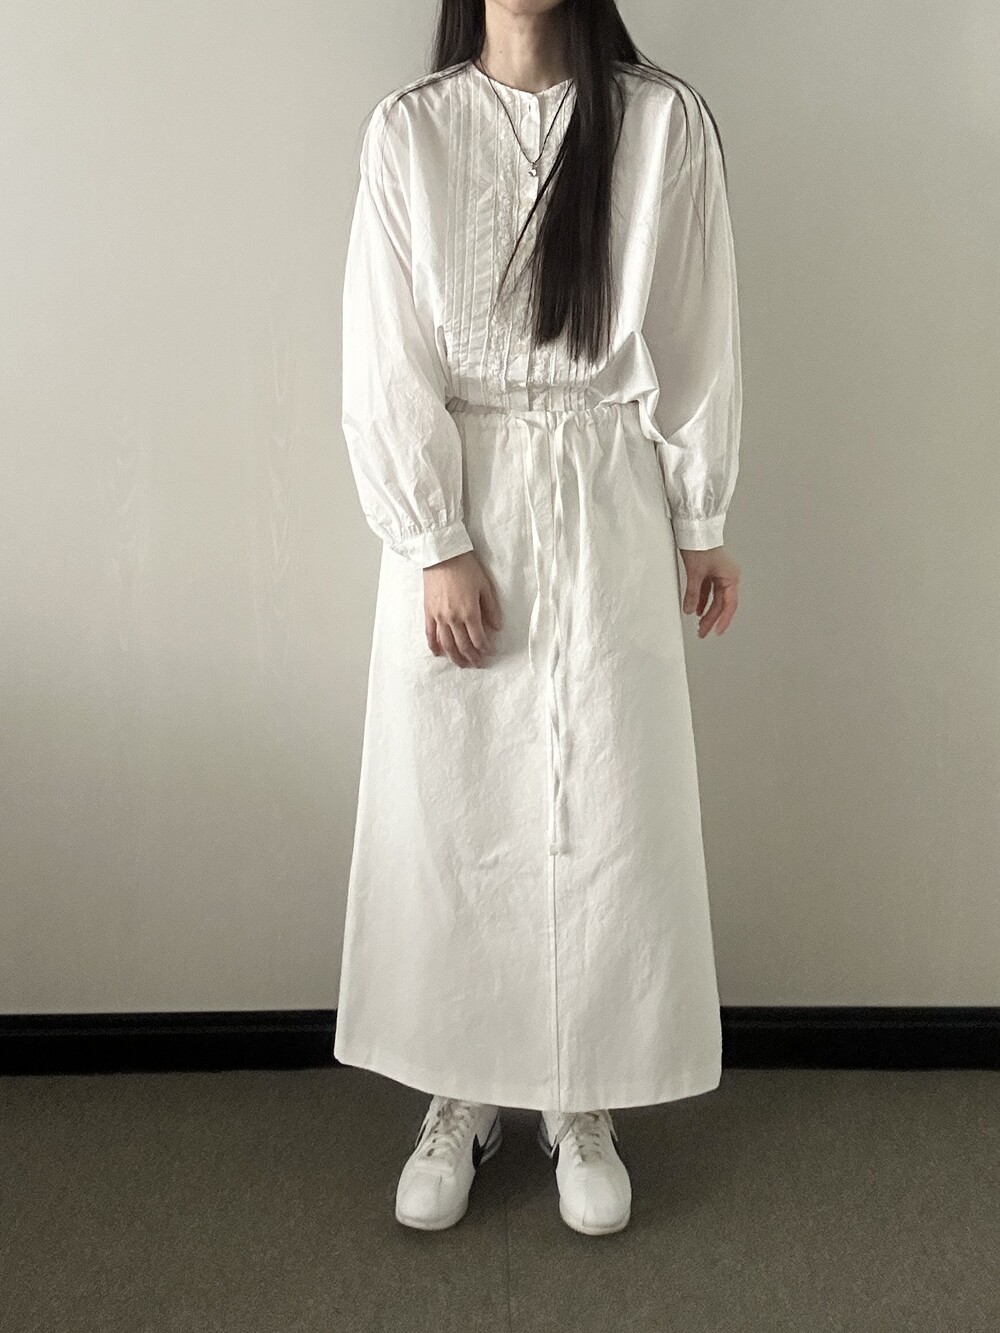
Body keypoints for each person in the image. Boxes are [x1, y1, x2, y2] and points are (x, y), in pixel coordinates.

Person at [335, 0, 742, 1237]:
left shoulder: (661, 122)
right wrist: (435, 538)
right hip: (467, 501)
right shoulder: (410, 131)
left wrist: (701, 515)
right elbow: (383, 352)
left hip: (606, 495)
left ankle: (582, 1090)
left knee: (600, 803)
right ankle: (460, 1089)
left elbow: (696, 328)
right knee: (458, 806)